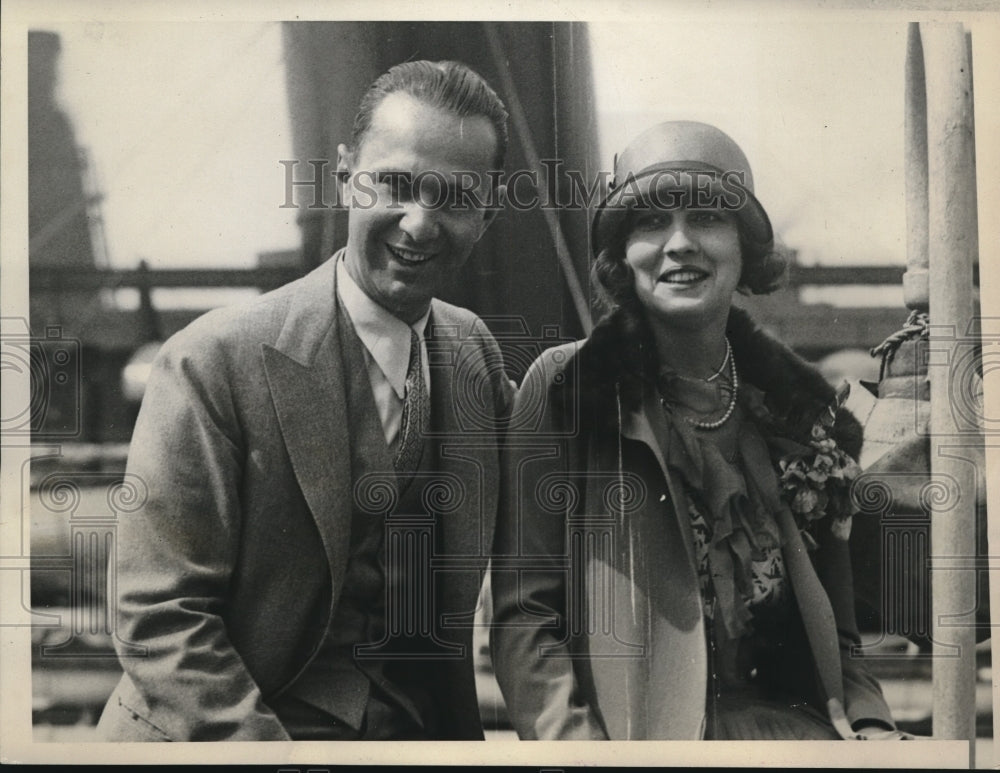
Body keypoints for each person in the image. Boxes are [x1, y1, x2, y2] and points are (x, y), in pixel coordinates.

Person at [98, 60, 513, 741]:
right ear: (346, 173)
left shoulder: (473, 356)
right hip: (229, 732)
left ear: (489, 214)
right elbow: (159, 618)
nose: (419, 223)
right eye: (397, 185)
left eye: (456, 198)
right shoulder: (211, 363)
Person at [490, 121, 906, 740]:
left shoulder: (802, 412)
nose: (679, 243)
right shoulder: (566, 390)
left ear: (747, 252)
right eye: (651, 223)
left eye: (707, 219)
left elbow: (839, 638)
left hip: (792, 739)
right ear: (621, 256)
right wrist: (578, 754)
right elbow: (526, 619)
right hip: (632, 746)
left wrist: (872, 729)